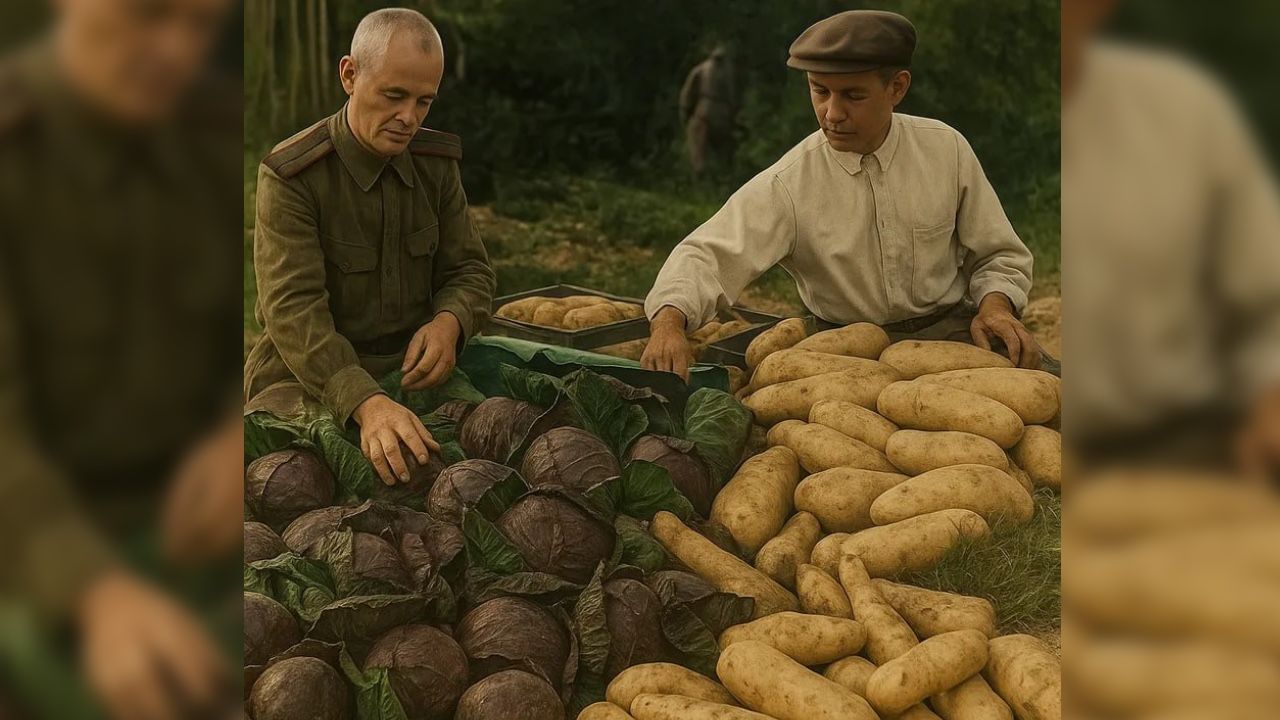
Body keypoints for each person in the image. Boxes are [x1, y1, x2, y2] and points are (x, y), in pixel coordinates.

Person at [0, 0, 241, 717]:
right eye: (149, 14)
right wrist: (93, 593)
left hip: (196, 533)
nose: (176, 51)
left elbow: (255, 328)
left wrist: (237, 434)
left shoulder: (215, 137)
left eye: (201, 26)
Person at [643, 10, 1040, 379]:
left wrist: (995, 306)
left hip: (952, 340)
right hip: (844, 357)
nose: (832, 113)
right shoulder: (790, 183)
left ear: (897, 87)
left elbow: (999, 253)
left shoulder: (946, 150)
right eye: (820, 92)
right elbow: (706, 256)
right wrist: (668, 323)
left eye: (852, 95)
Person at [245, 8, 495, 486]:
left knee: (477, 464)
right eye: (394, 96)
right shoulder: (293, 176)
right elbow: (294, 311)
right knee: (308, 481)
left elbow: (470, 271)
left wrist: (450, 323)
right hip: (305, 380)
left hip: (411, 372)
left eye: (425, 101)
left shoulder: (436, 164)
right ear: (350, 74)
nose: (409, 118)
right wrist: (365, 402)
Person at [1062, 0, 1280, 476]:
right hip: (1038, 432)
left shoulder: (1185, 108)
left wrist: (1271, 396)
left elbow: (1268, 299)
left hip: (1189, 443)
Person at [680, 44, 738, 177]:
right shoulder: (728, 73)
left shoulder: (701, 69)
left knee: (698, 148)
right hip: (722, 114)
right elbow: (732, 96)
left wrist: (685, 110)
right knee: (721, 150)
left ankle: (700, 175)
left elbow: (687, 92)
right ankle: (721, 177)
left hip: (704, 111)